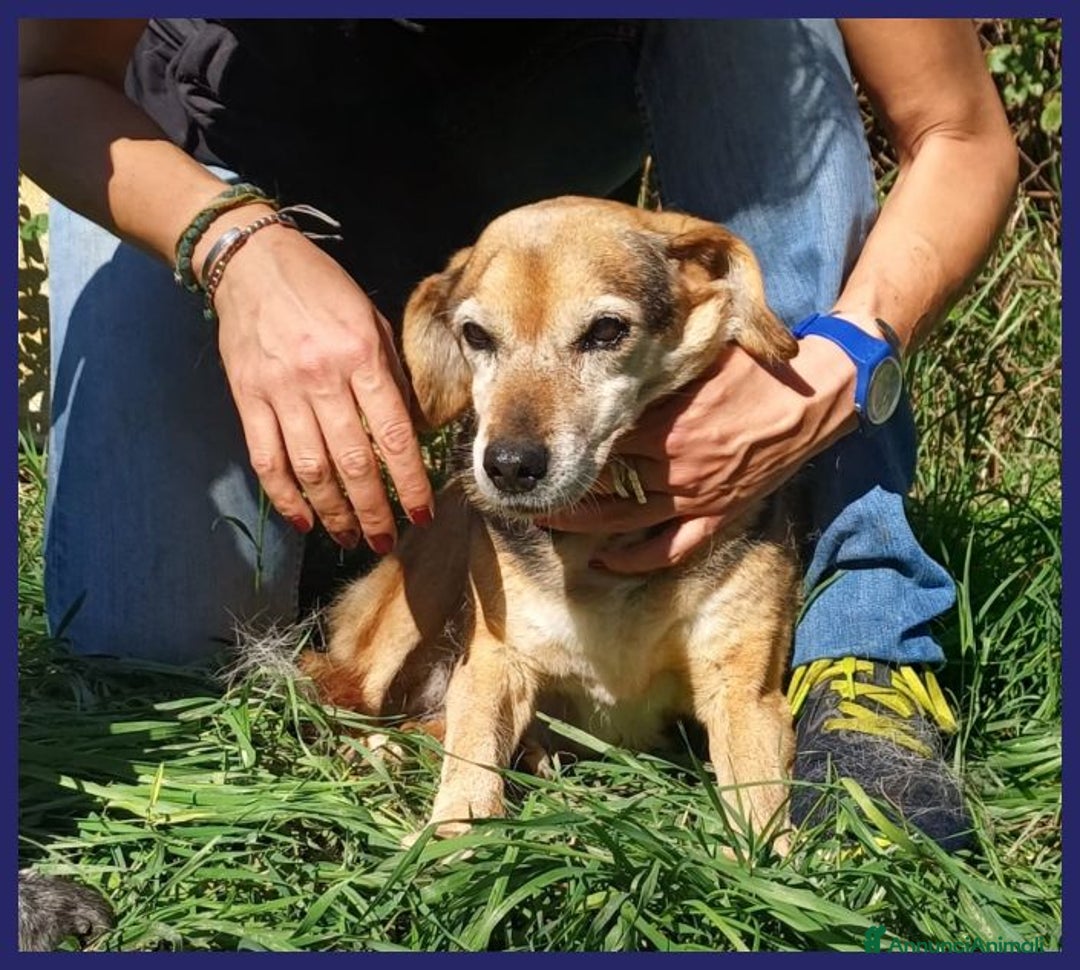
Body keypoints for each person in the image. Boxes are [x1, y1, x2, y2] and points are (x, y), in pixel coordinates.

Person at [18, 19, 1018, 850]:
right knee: (143, 651)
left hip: (542, 171)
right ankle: (394, 592)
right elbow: (41, 79)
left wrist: (838, 361)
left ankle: (862, 639)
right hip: (203, 159)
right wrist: (232, 246)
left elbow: (961, 134)